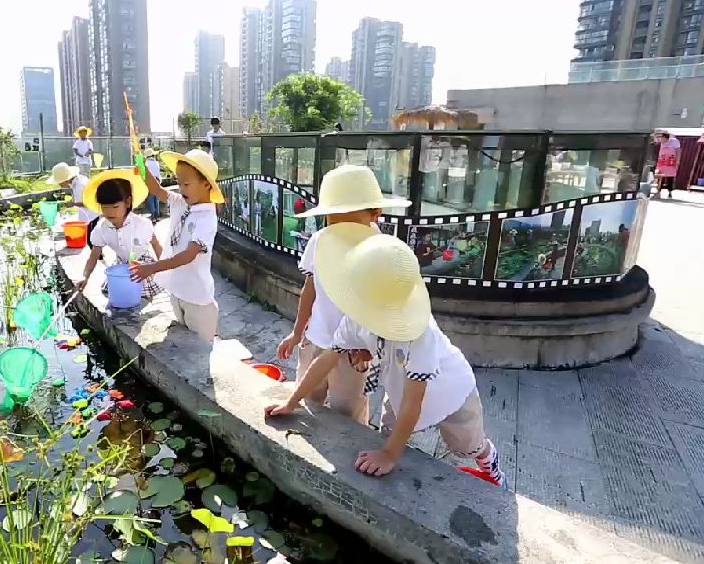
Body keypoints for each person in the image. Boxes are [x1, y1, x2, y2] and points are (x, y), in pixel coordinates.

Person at [266, 223, 507, 487]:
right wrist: (293, 401)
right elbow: (325, 360)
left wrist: (390, 455)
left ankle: (491, 465)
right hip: (399, 391)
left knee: (467, 444)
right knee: (388, 433)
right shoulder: (357, 315)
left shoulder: (420, 332)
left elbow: (415, 402)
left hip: (450, 392)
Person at [276, 165, 411, 424]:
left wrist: (370, 347)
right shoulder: (320, 240)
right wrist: (297, 332)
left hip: (353, 350)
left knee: (347, 414)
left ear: (374, 213)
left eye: (347, 221)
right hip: (316, 339)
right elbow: (310, 288)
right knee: (307, 402)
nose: (338, 230)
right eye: (331, 220)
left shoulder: (381, 251)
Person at [130, 149, 225, 342]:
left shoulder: (207, 217)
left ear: (206, 184)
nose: (181, 188)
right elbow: (156, 189)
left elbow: (189, 255)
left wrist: (153, 267)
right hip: (177, 291)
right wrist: (142, 166)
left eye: (187, 184)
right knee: (183, 343)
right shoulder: (182, 203)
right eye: (179, 183)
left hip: (198, 299)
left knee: (200, 351)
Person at [76, 169, 163, 300]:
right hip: (121, 265)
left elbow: (156, 246)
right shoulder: (102, 228)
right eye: (104, 208)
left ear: (127, 202)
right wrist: (85, 276)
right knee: (118, 295)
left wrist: (164, 269)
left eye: (115, 207)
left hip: (143, 265)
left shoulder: (142, 224)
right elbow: (94, 255)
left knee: (144, 295)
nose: (110, 212)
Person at [45, 162, 98, 242]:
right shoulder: (79, 179)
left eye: (59, 182)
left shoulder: (79, 185)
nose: (59, 184)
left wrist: (73, 204)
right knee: (92, 242)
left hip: (91, 217)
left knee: (92, 242)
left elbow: (89, 203)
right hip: (89, 216)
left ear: (66, 180)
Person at [653, 130, 681, 199]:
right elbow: (655, 141)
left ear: (666, 138)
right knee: (659, 176)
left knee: (670, 177)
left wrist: (677, 161)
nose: (661, 139)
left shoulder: (674, 141)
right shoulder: (661, 142)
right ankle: (658, 191)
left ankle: (670, 192)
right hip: (662, 161)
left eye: (662, 138)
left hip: (671, 162)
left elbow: (678, 151)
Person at [143, 148, 162, 220]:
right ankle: (157, 216)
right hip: (157, 181)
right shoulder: (156, 163)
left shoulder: (146, 164)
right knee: (156, 198)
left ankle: (153, 216)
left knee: (150, 198)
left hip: (150, 181)